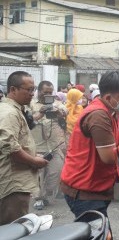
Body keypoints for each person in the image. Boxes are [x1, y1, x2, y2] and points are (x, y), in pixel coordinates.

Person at [60, 71, 119, 219]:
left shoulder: (108, 112)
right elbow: (108, 157)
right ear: (108, 97)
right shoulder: (99, 115)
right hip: (85, 190)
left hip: (92, 187)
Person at [0, 71, 48, 225]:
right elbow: (11, 148)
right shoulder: (9, 113)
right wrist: (34, 161)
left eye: (33, 90)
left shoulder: (15, 110)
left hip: (16, 182)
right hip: (14, 184)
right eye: (28, 90)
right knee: (13, 229)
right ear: (13, 89)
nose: (32, 94)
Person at [30, 81, 68, 210]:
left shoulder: (57, 103)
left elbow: (65, 112)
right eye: (45, 92)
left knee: (55, 172)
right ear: (39, 91)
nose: (47, 94)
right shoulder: (31, 104)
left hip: (55, 146)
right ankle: (39, 198)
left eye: (50, 92)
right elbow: (27, 121)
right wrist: (40, 113)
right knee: (39, 175)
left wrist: (59, 112)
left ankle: (48, 194)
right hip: (37, 146)